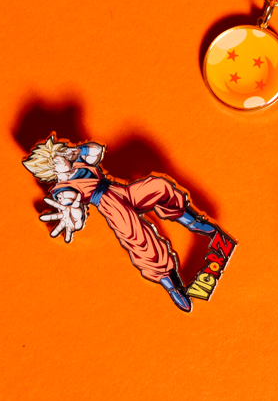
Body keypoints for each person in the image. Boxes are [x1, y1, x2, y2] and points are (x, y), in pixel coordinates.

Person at [22, 134, 229, 312]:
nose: (61, 159)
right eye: (56, 160)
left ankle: (193, 221)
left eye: (60, 154)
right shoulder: (62, 188)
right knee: (139, 239)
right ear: (51, 170)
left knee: (159, 187)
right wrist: (72, 215)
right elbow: (70, 204)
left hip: (120, 190)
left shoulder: (78, 161)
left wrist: (78, 150)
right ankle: (172, 284)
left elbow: (96, 151)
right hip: (108, 203)